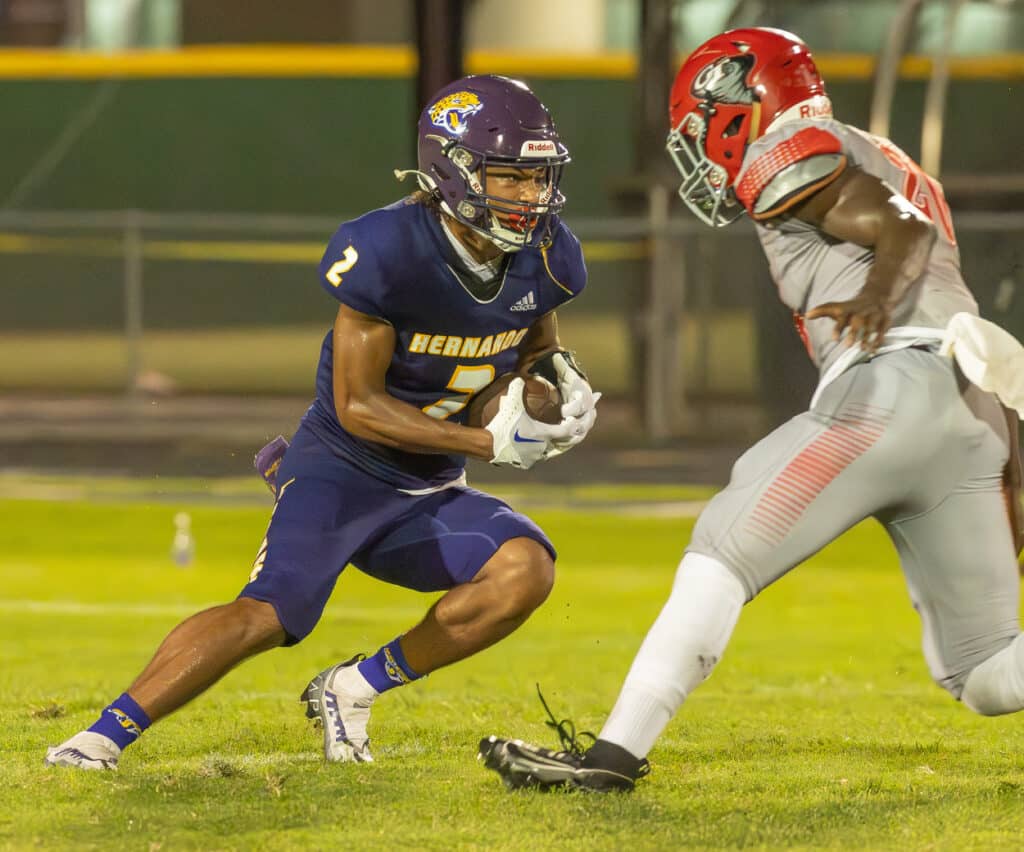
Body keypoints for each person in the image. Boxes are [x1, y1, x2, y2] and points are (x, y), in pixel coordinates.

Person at [480, 27, 1024, 793]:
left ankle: (610, 760)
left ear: (740, 104)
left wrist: (872, 298)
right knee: (987, 670)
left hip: (891, 391)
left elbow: (903, 230)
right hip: (974, 409)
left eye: (701, 129)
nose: (699, 150)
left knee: (722, 548)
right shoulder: (883, 150)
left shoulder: (787, 146)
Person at [45, 74, 600, 770]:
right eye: (512, 177)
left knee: (526, 570)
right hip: (343, 472)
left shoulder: (547, 253)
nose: (531, 197)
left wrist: (555, 394)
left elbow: (534, 352)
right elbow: (358, 406)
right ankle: (100, 737)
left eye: (540, 177)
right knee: (270, 614)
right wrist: (487, 440)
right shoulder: (387, 249)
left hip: (430, 488)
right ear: (453, 171)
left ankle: (353, 687)